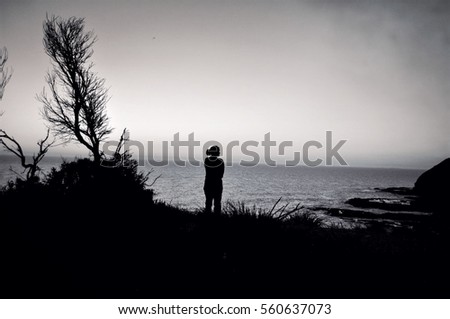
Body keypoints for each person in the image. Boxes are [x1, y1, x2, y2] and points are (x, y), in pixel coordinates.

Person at [204, 145, 225, 213]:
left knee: (208, 203)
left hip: (208, 184)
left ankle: (207, 219)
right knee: (217, 204)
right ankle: (216, 220)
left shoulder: (207, 160)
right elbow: (221, 175)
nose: (219, 152)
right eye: (218, 151)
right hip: (217, 185)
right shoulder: (220, 161)